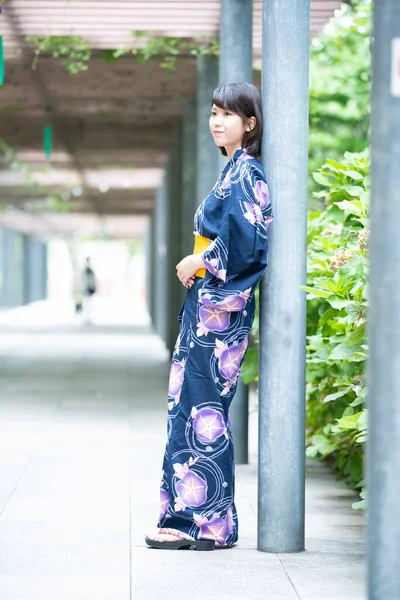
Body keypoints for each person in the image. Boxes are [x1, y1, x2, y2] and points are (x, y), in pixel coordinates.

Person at [145, 82, 273, 551]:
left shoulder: (246, 173)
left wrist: (198, 262)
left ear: (250, 123)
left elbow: (247, 243)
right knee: (192, 409)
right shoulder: (235, 171)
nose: (217, 121)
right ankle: (197, 519)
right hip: (210, 308)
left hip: (219, 312)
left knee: (203, 412)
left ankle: (203, 524)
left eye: (228, 114)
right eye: (214, 112)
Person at [82, 257, 97, 323]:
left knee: (89, 303)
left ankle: (89, 317)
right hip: (85, 289)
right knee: (86, 303)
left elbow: (93, 281)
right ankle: (86, 317)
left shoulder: (90, 271)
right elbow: (82, 281)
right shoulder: (85, 271)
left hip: (90, 289)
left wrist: (93, 288)